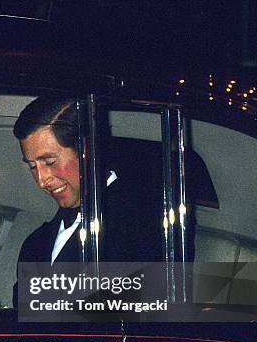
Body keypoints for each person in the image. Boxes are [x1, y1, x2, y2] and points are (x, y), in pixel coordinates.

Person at [13, 95, 165, 268]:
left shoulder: (146, 224)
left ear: (87, 149)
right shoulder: (34, 245)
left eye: (50, 162)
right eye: (32, 166)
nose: (41, 181)